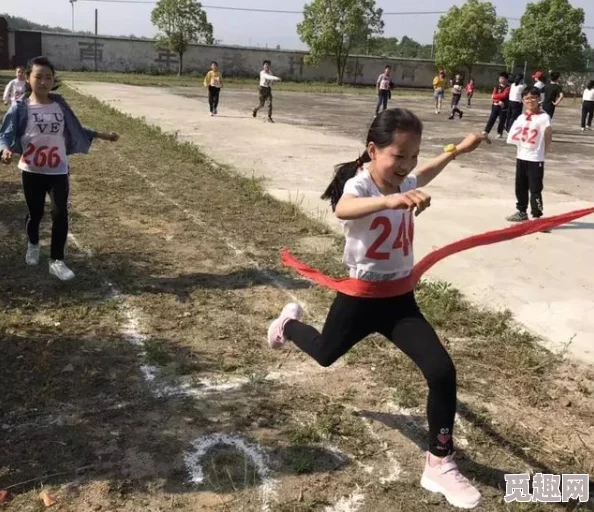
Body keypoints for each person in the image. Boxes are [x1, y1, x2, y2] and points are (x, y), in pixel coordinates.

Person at [267, 108, 488, 510]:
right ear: (373, 150)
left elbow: (431, 169)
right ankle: (286, 324)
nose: (406, 166)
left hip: (399, 301)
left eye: (412, 157)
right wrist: (391, 198)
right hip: (360, 298)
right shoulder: (361, 185)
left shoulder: (406, 178)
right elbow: (342, 210)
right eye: (398, 156)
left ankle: (438, 462)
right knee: (324, 354)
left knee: (441, 371)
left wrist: (458, 149)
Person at [0, 56, 119, 281]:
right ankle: (33, 244)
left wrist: (104, 135)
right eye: (38, 77)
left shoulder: (59, 104)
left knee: (59, 213)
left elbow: (75, 129)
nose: (44, 82)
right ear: (28, 78)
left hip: (58, 170)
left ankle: (56, 261)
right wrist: (5, 149)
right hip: (32, 171)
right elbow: (5, 133)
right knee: (35, 215)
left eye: (48, 77)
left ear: (53, 80)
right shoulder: (21, 107)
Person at [505, 87, 552, 223]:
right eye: (526, 98)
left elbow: (548, 134)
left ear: (539, 98)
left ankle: (537, 215)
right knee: (520, 186)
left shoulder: (544, 117)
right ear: (523, 101)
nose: (530, 101)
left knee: (535, 188)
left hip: (535, 157)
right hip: (522, 156)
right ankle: (521, 211)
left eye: (533, 97)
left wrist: (545, 151)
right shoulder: (522, 117)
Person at [482, 72, 510, 139]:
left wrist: (496, 97)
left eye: (502, 78)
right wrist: (497, 100)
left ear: (506, 79)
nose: (501, 80)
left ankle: (499, 133)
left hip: (503, 106)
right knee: (492, 118)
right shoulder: (496, 87)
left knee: (502, 120)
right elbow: (493, 96)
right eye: (500, 78)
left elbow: (504, 95)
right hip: (495, 105)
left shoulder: (508, 88)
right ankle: (486, 131)